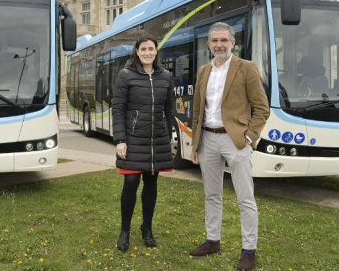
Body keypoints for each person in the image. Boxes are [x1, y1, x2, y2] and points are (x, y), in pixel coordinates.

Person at [188, 22, 269, 271]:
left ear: (233, 43)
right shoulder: (203, 71)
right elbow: (198, 110)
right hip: (208, 141)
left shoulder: (246, 68)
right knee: (212, 195)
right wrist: (195, 144)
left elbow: (261, 108)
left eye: (224, 40)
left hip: (235, 141)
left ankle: (249, 250)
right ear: (209, 44)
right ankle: (213, 240)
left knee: (245, 198)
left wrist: (249, 136)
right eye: (215, 41)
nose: (219, 45)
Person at [112, 35, 175, 252]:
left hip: (156, 139)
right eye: (143, 49)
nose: (147, 52)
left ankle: (147, 229)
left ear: (156, 51)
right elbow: (118, 109)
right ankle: (125, 230)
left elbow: (169, 109)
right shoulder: (126, 75)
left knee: (151, 184)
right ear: (137, 52)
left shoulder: (166, 76)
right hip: (132, 139)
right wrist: (120, 139)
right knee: (130, 183)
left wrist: (169, 134)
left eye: (151, 49)